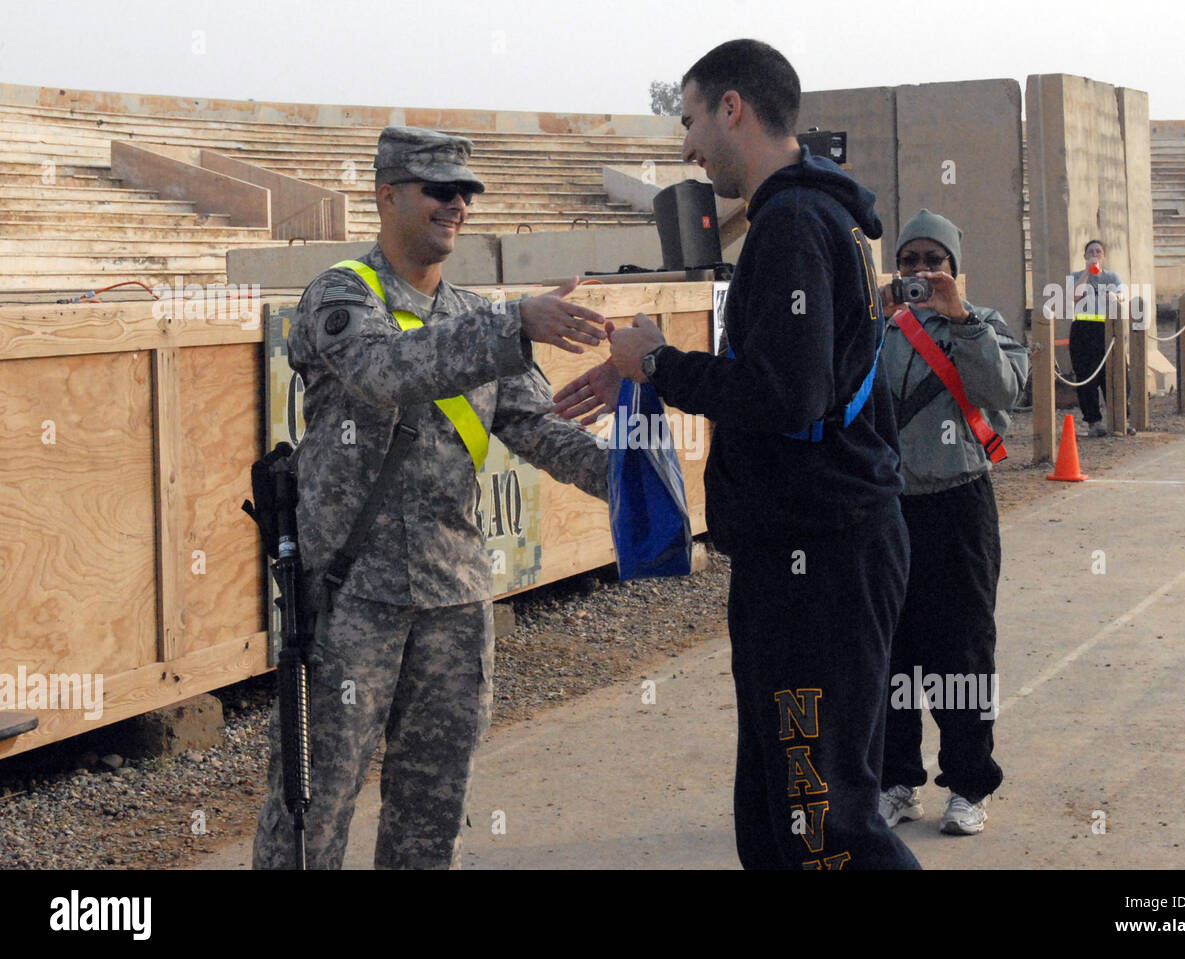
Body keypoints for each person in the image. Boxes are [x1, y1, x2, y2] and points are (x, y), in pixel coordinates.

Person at [554, 39, 918, 870]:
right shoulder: (808, 216)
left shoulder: (793, 221)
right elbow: (790, 380)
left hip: (819, 557)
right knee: (776, 812)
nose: (685, 145)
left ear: (732, 109)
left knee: (820, 815)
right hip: (807, 552)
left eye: (689, 119)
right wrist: (649, 374)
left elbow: (789, 397)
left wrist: (657, 364)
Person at [253, 126, 610, 870]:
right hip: (350, 601)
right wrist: (513, 323)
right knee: (313, 807)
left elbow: (535, 429)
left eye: (465, 193)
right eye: (438, 190)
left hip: (453, 600)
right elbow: (386, 372)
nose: (456, 206)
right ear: (387, 194)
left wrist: (632, 480)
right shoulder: (342, 295)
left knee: (430, 811)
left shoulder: (478, 318)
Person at [874, 209, 1028, 836]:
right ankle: (895, 779)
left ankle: (968, 783)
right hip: (888, 508)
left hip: (960, 505)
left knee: (962, 651)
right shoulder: (878, 325)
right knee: (890, 650)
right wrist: (869, 309)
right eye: (910, 261)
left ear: (954, 269)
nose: (921, 272)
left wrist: (962, 321)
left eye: (933, 261)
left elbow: (1003, 391)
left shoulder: (983, 324)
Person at [1068, 239, 1125, 437]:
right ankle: (1094, 422)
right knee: (1085, 376)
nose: (1094, 254)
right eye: (1090, 252)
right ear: (1085, 256)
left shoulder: (1112, 277)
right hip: (1083, 328)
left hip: (1106, 328)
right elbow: (1074, 296)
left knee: (1113, 373)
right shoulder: (1075, 276)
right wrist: (1087, 272)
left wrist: (1113, 297)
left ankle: (1119, 419)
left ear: (1104, 256)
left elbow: (1120, 297)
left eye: (1098, 251)